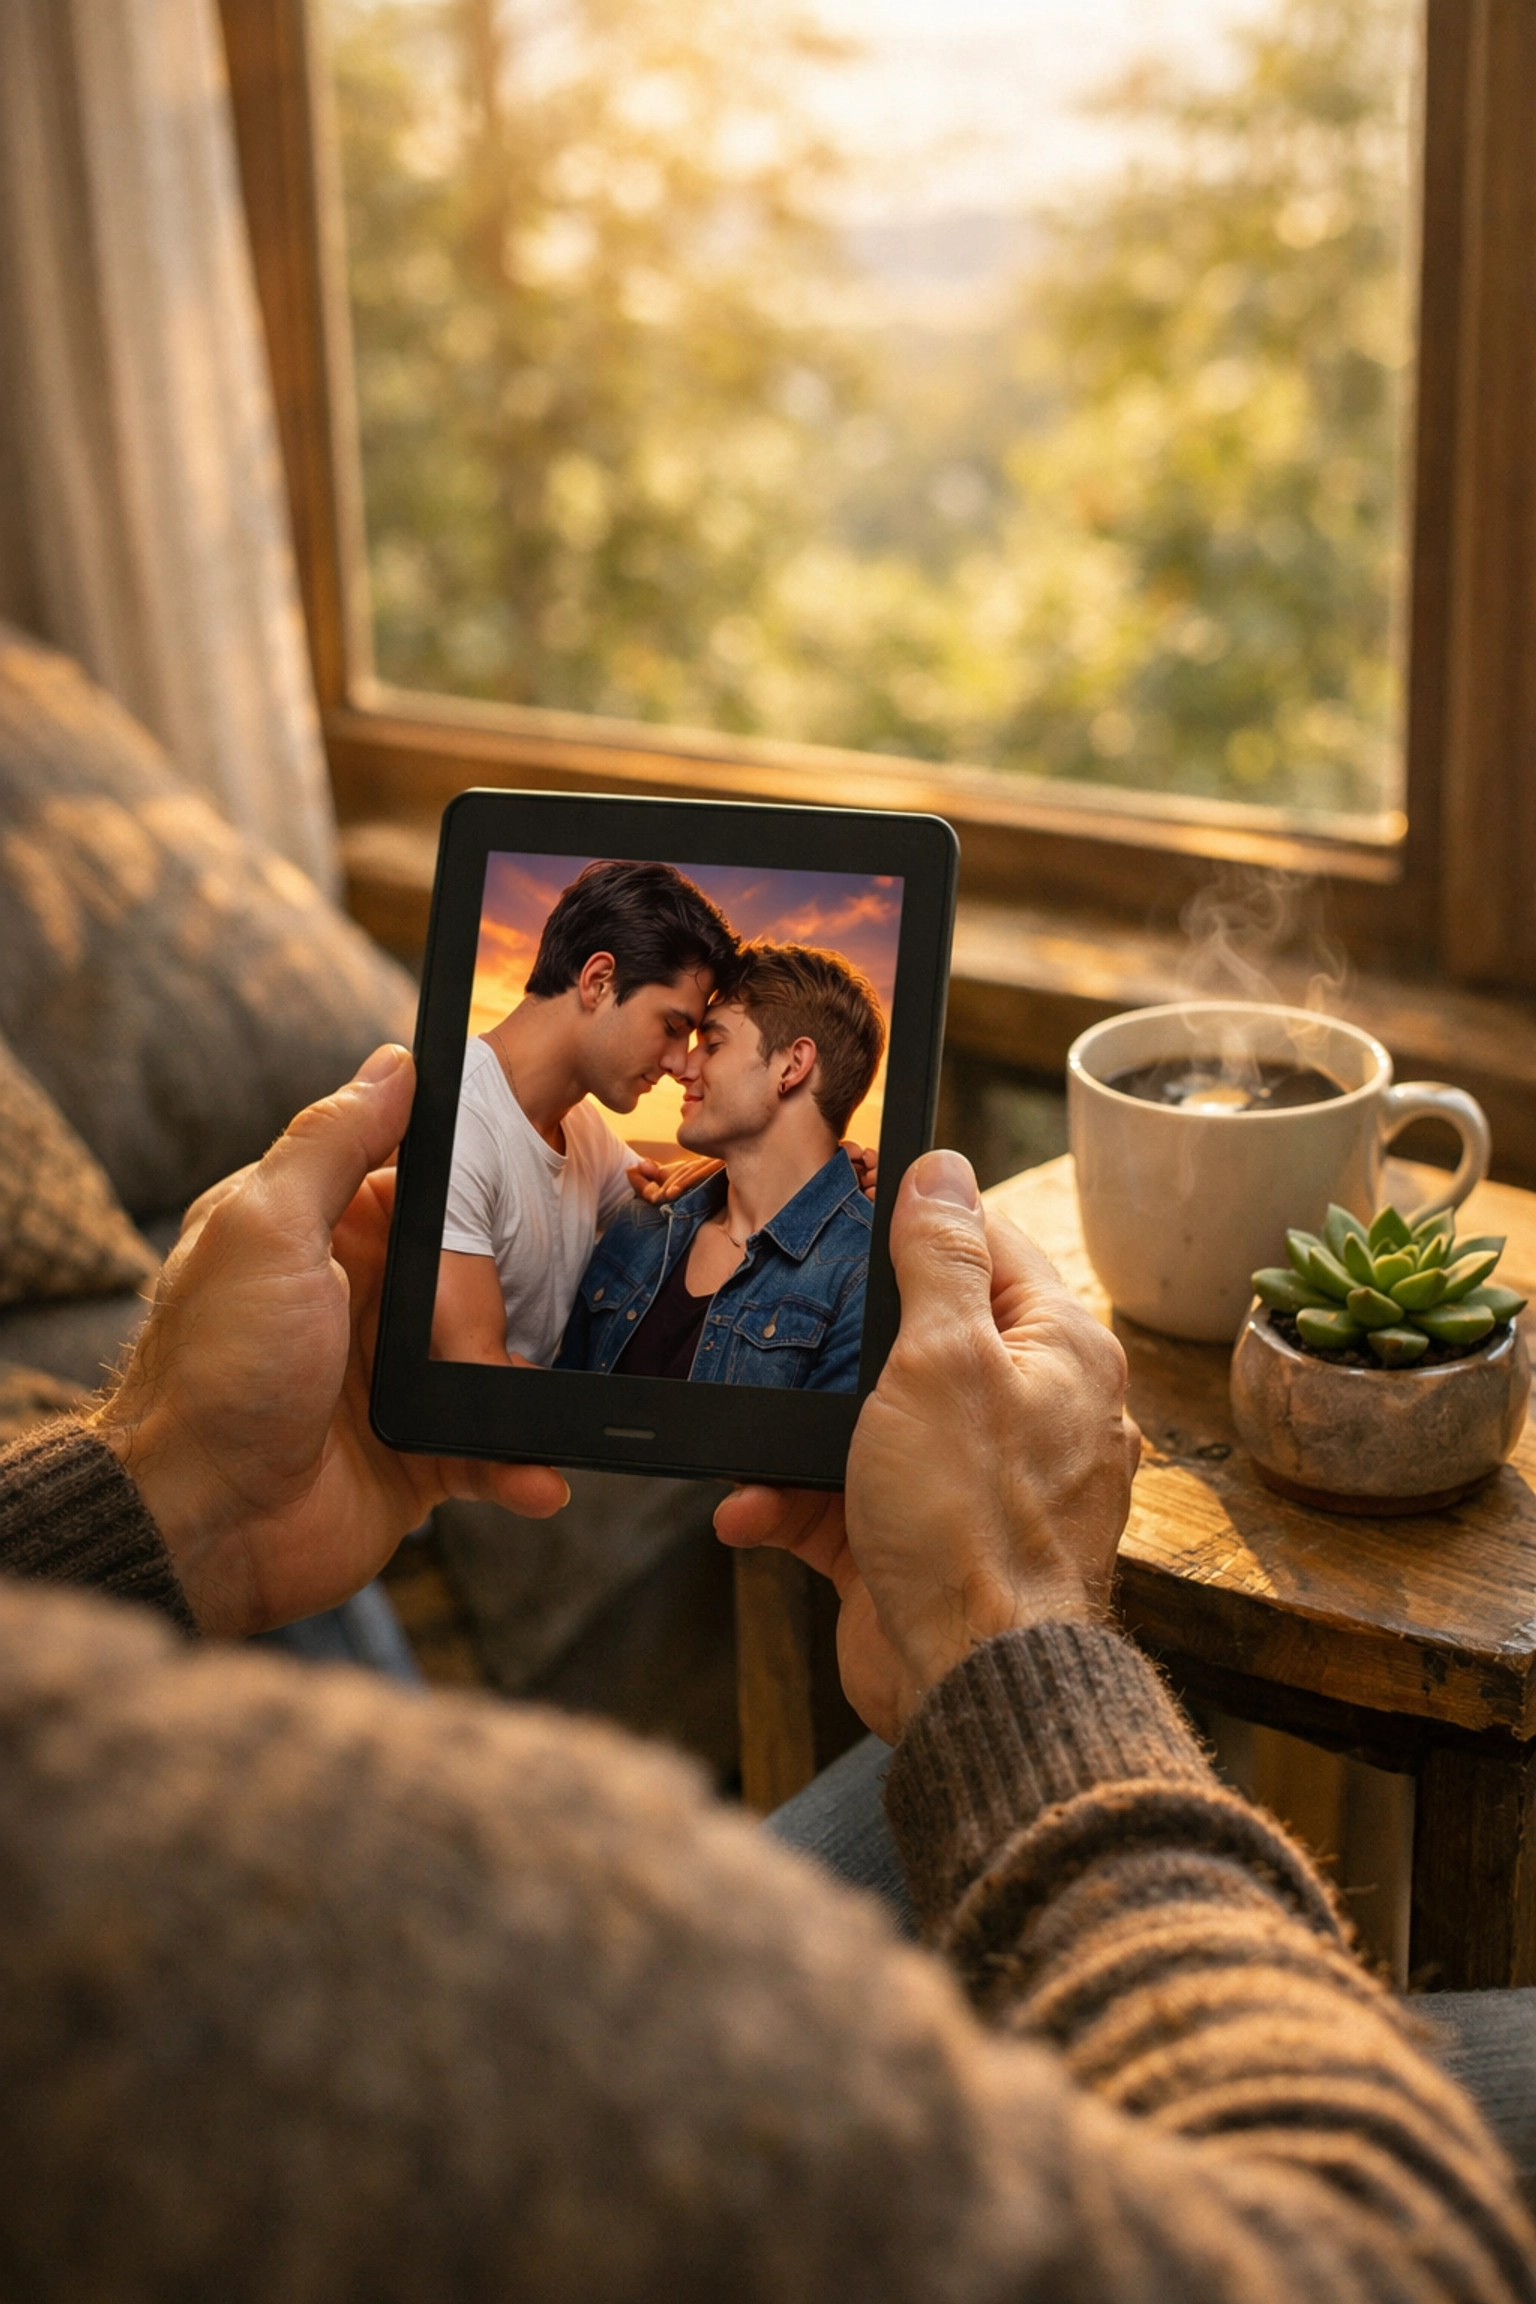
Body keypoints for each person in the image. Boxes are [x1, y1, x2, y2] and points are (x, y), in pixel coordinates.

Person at [0, 1042, 1531, 2303]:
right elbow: (1378, 2266)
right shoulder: (414, 1936)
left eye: (707, 1040)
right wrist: (1019, 1655)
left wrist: (169, 1488)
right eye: (676, 1028)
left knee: (894, 1773)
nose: (675, 1067)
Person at [433, 857, 740, 1368]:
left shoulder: (582, 1130)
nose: (678, 1062)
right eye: (671, 1026)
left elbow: (677, 1207)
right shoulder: (458, 1121)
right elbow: (475, 1387)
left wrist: (828, 1172)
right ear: (598, 981)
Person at [556, 942, 882, 1389]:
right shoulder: (644, 1222)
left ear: (791, 1065)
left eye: (712, 1043)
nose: (682, 1067)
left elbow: (824, 1459)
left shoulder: (865, 1275)